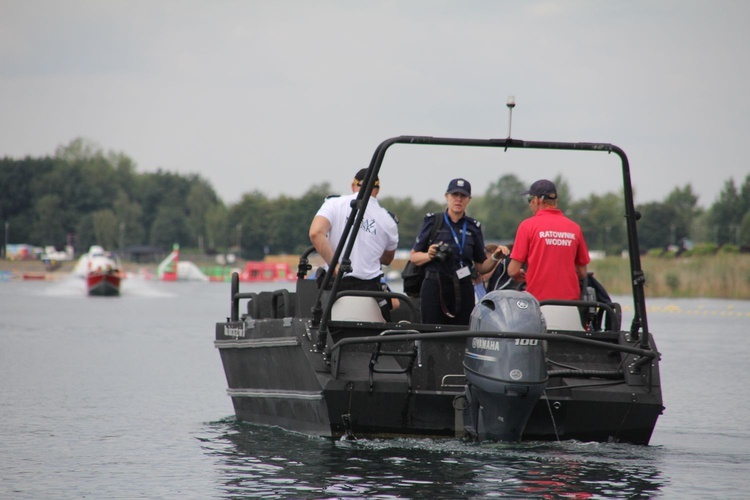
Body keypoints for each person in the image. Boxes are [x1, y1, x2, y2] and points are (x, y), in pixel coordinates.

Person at [410, 178, 509, 325]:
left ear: (468, 199)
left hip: (463, 286)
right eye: (454, 195)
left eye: (463, 196)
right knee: (430, 335)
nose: (458, 199)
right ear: (447, 197)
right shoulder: (433, 221)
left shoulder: (473, 226)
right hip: (435, 285)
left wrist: (496, 256)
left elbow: (482, 267)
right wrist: (429, 255)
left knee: (461, 335)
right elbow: (414, 257)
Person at [309, 168, 399, 319]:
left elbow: (316, 233)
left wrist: (335, 267)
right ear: (377, 190)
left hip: (334, 288)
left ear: (353, 185)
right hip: (370, 291)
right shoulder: (388, 220)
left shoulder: (333, 204)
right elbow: (387, 259)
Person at [508, 179, 590, 302]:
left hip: (538, 302)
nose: (530, 204)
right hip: (570, 304)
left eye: (530, 200)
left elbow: (512, 270)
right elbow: (582, 272)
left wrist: (518, 274)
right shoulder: (574, 228)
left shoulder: (527, 226)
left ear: (537, 200)